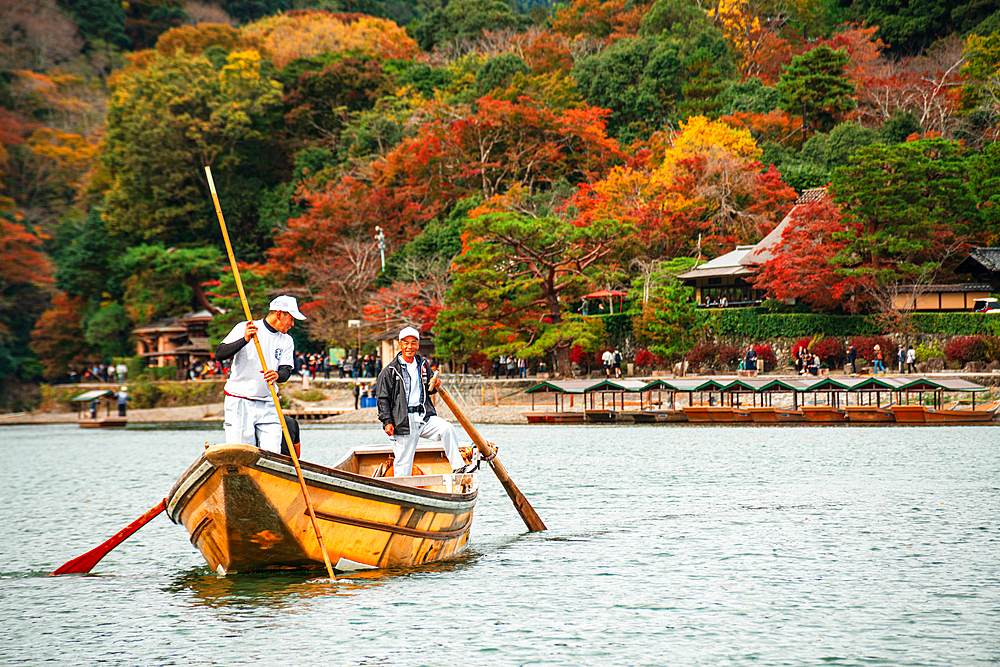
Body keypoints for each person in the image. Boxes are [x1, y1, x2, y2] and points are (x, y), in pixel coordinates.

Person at [215, 295, 305, 453]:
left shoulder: (287, 340)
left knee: (272, 453)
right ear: (279, 314)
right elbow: (220, 353)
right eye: (291, 319)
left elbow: (286, 370)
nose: (292, 324)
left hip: (268, 401)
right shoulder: (247, 327)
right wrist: (244, 339)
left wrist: (277, 375)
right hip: (239, 400)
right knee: (242, 452)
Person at [376, 326, 469, 477]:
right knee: (403, 463)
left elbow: (429, 388)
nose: (409, 347)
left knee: (446, 429)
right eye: (406, 343)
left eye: (413, 343)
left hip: (423, 416)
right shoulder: (390, 371)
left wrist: (436, 384)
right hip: (402, 420)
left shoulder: (423, 365)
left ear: (418, 345)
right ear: (400, 344)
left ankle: (459, 467)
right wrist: (387, 421)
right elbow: (382, 399)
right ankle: (401, 494)